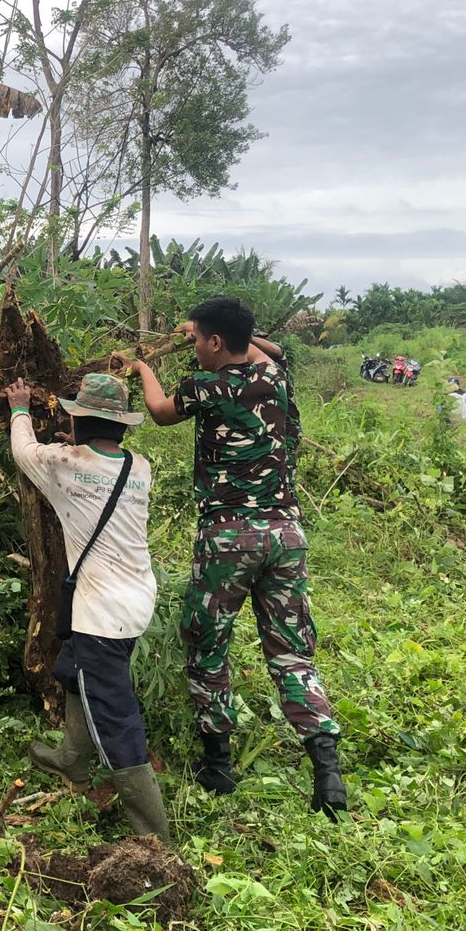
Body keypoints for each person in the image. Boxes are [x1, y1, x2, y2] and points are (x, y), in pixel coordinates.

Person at [122, 297, 346, 817]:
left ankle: (218, 763)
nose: (196, 347)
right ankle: (327, 771)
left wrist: (143, 368)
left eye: (200, 339)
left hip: (230, 536)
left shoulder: (208, 386)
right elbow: (271, 350)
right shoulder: (277, 377)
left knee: (206, 641)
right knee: (292, 651)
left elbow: (158, 413)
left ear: (216, 343)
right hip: (286, 535)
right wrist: (209, 328)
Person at [6, 373, 170, 840]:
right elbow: (91, 468)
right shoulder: (138, 466)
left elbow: (24, 452)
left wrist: (20, 407)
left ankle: (154, 838)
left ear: (79, 421)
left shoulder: (63, 463)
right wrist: (75, 445)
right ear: (120, 426)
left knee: (117, 722)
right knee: (71, 666)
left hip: (102, 612)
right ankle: (72, 758)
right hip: (134, 601)